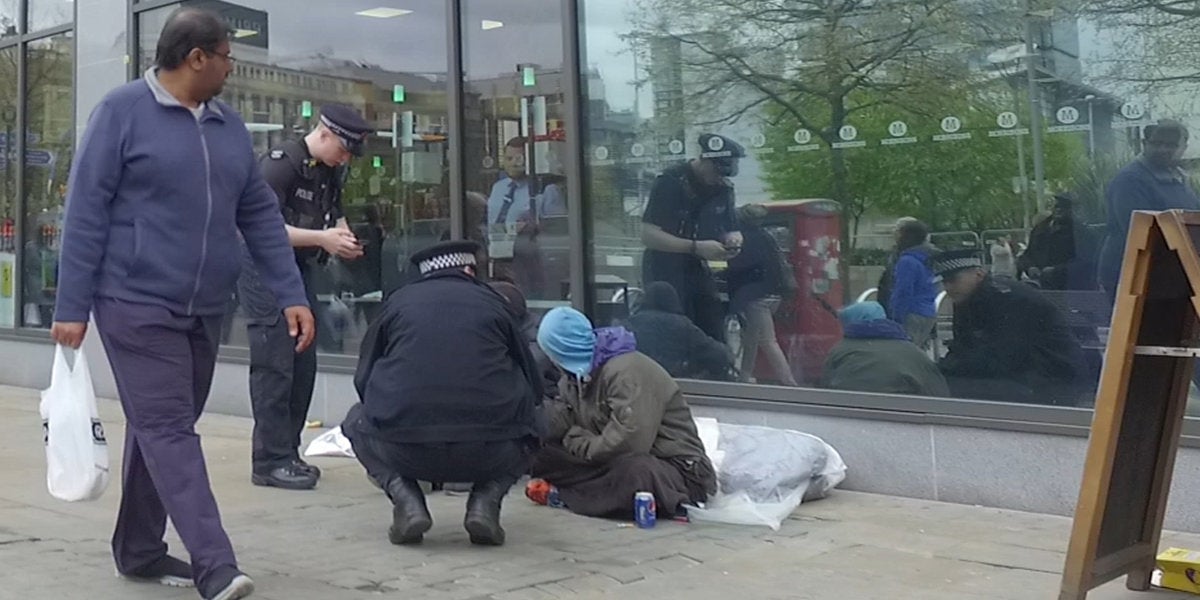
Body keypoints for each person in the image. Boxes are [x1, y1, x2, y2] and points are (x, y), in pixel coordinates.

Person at [50, 8, 314, 600]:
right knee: (169, 427)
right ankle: (215, 565)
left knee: (160, 426)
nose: (231, 67)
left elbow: (261, 220)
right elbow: (85, 213)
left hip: (202, 308)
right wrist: (71, 306)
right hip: (131, 301)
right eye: (226, 55)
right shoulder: (121, 113)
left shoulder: (227, 128)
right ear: (196, 57)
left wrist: (291, 294)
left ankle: (140, 551)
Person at [341, 240, 542, 547]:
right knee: (539, 420)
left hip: (406, 450)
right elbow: (533, 380)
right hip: (490, 451)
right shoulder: (494, 303)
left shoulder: (398, 302)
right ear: (468, 270)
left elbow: (364, 378)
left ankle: (405, 498)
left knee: (354, 420)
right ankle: (486, 501)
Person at [238, 103, 370, 491]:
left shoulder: (330, 170)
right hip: (263, 266)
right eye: (343, 149)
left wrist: (344, 240)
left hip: (299, 268)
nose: (345, 158)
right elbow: (260, 229)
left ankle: (288, 453)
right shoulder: (280, 164)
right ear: (324, 134)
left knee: (302, 361)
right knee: (274, 362)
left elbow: (334, 214)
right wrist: (322, 239)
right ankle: (268, 460)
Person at [529, 307, 717, 520]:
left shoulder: (627, 371)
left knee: (635, 473)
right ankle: (590, 495)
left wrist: (577, 441)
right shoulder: (573, 377)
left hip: (679, 471)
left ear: (560, 350)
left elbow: (629, 442)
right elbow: (562, 419)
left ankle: (568, 495)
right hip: (607, 456)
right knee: (542, 457)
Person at [933, 250, 1083, 405]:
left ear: (978, 275)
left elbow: (1006, 355)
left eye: (953, 280)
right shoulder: (967, 298)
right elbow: (963, 346)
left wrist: (950, 369)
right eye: (945, 282)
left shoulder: (1009, 299)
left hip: (1053, 377)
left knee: (956, 388)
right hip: (1026, 372)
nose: (948, 287)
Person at [641, 133, 744, 342]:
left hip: (697, 266)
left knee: (712, 325)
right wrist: (695, 247)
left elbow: (731, 227)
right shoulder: (670, 182)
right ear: (704, 159)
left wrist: (733, 240)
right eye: (717, 171)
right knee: (671, 328)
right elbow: (648, 235)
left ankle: (713, 370)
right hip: (664, 267)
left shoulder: (722, 188)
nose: (720, 178)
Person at [1099, 120, 1200, 298]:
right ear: (1144, 144)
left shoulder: (1179, 179)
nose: (1163, 149)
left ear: (1184, 147)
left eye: (1171, 145)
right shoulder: (1131, 180)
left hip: (1171, 274)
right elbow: (1140, 231)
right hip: (1135, 276)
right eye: (1156, 143)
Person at [725, 204, 798, 385]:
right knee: (752, 338)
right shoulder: (767, 237)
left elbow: (737, 267)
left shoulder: (742, 239)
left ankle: (790, 383)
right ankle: (744, 376)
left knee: (767, 340)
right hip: (775, 294)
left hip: (756, 296)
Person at [821, 302, 949, 397]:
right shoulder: (912, 352)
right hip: (905, 413)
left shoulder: (839, 350)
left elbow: (824, 387)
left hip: (848, 411)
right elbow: (937, 390)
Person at [625, 281, 735, 381]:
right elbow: (717, 354)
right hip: (672, 383)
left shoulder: (631, 323)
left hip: (637, 382)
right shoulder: (681, 325)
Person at [1018, 193, 1097, 291]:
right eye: (1056, 206)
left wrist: (1056, 270)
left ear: (1071, 210)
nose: (1059, 209)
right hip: (1042, 287)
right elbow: (1027, 254)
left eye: (1064, 207)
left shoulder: (1081, 233)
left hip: (1070, 288)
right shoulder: (1040, 229)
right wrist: (1030, 267)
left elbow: (1087, 262)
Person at [886, 219, 938, 349]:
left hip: (911, 312)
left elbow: (903, 291)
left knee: (904, 352)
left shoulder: (907, 260)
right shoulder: (928, 257)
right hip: (927, 311)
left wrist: (895, 317)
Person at [876, 216, 920, 313]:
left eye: (897, 229)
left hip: (908, 309)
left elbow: (904, 287)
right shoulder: (896, 252)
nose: (894, 233)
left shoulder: (910, 256)